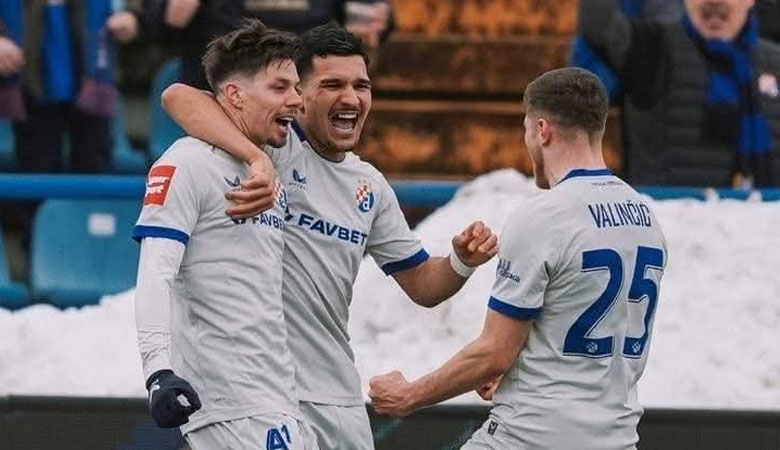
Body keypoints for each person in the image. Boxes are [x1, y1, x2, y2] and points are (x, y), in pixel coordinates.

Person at [161, 23, 499, 450]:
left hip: (340, 399)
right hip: (265, 395)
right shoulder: (275, 146)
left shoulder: (368, 186)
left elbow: (423, 285)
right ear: (297, 95)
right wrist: (256, 160)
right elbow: (177, 97)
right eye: (333, 85)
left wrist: (461, 261)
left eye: (361, 86)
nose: (351, 98)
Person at [369, 68, 668, 450]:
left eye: (526, 130)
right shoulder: (644, 216)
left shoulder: (545, 215)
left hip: (530, 437)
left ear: (542, 130)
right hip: (616, 439)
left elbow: (494, 353)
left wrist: (409, 395)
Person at [132, 20, 319, 450]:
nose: (296, 99)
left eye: (296, 87)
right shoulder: (187, 163)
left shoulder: (273, 162)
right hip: (228, 401)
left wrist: (258, 158)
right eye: (279, 87)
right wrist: (157, 371)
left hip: (278, 397)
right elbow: (155, 271)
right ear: (234, 95)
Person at [579, 0, 780, 188]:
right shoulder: (652, 47)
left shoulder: (775, 63)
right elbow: (598, 24)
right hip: (665, 211)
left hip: (760, 213)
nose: (714, 1)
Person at [0, 0, 139, 172]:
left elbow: (137, 11)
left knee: (93, 168)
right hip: (29, 87)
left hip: (95, 82)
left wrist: (132, 14)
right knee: (37, 170)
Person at [142, 0, 392, 89]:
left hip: (308, 91)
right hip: (223, 95)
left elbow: (369, 16)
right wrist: (168, 12)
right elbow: (152, 24)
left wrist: (378, 20)